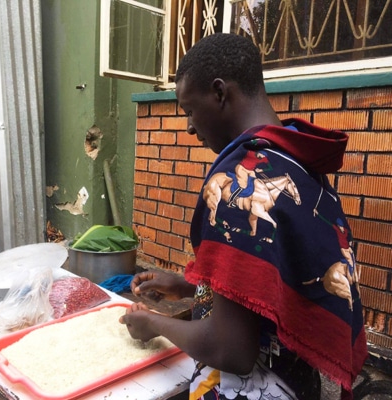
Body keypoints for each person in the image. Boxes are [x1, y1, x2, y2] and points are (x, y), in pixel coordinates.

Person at [119, 33, 368, 400]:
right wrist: (193, 286)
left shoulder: (239, 184)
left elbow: (230, 350)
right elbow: (276, 282)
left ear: (219, 93)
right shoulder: (298, 161)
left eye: (189, 110)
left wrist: (152, 323)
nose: (189, 128)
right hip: (301, 385)